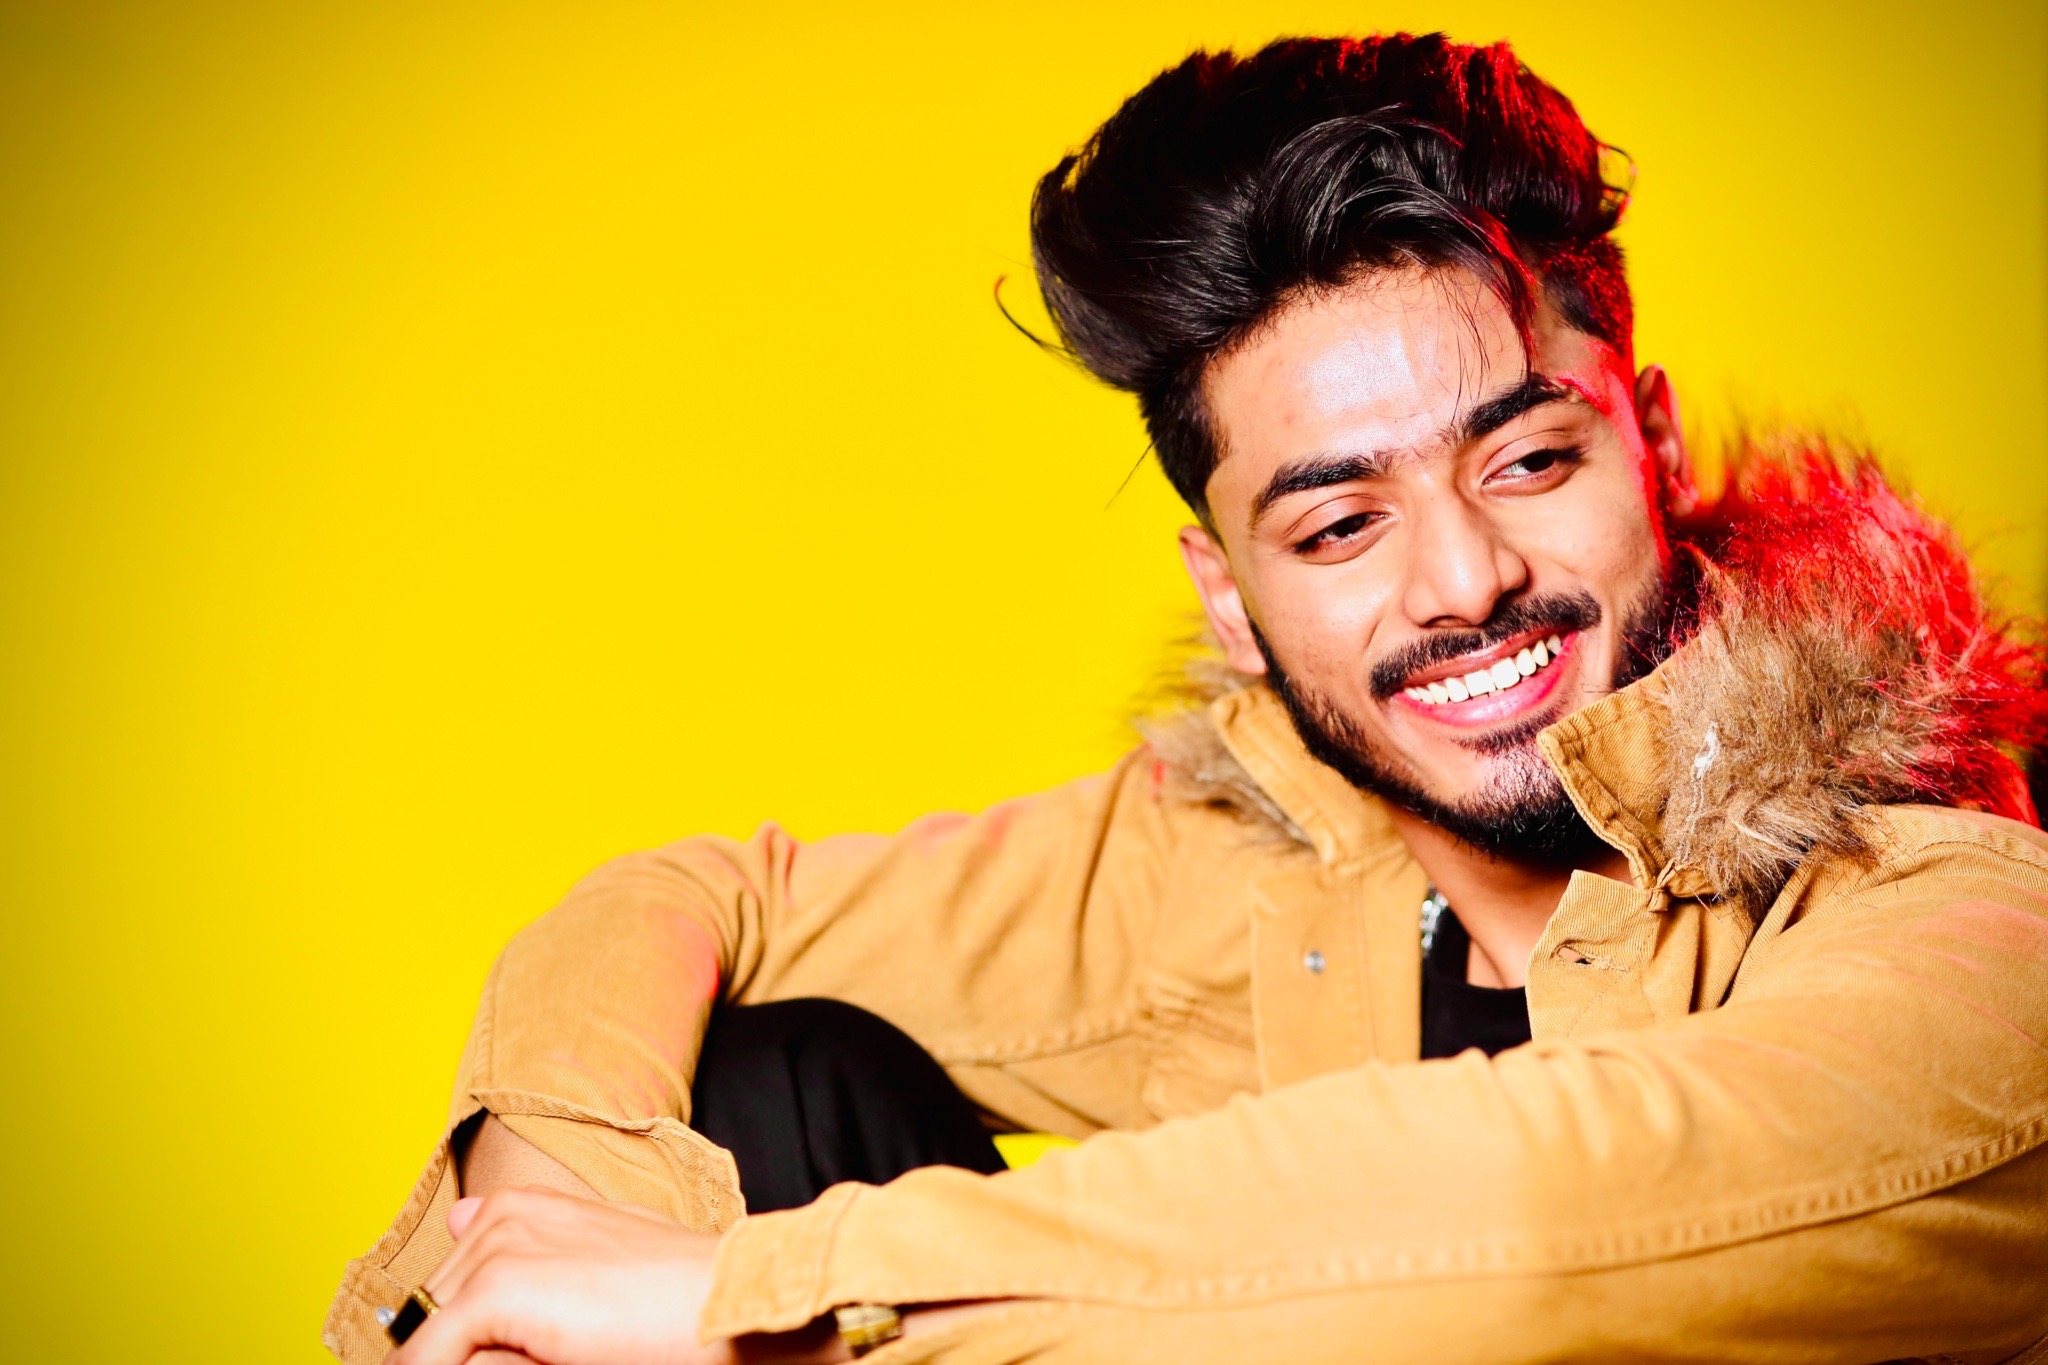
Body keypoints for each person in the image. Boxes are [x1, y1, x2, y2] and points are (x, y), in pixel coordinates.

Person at [327, 33, 2048, 1365]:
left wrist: (744, 1286)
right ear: (1230, 594)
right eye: (1340, 522)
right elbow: (692, 900)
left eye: (1527, 459)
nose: (1461, 580)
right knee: (764, 1076)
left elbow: (1537, 1222)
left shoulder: (1965, 910)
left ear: (1649, 443)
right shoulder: (1242, 865)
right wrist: (551, 1222)